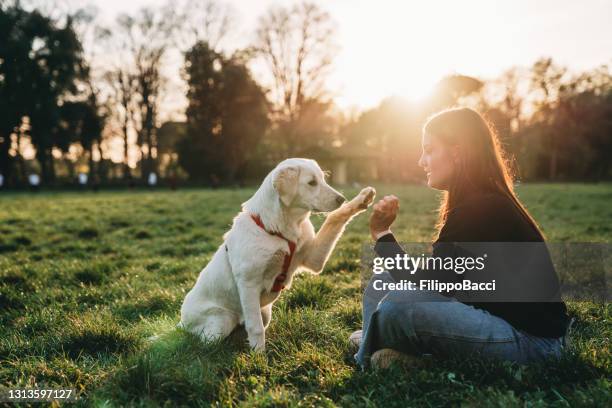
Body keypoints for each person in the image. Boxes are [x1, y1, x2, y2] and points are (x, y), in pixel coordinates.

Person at [352, 107, 570, 369]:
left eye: (429, 150)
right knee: (384, 281)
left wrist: (382, 235)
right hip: (494, 320)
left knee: (400, 304)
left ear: (457, 151)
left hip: (533, 346)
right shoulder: (475, 201)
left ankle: (370, 352)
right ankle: (380, 345)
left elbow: (429, 284)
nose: (422, 161)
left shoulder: (482, 207)